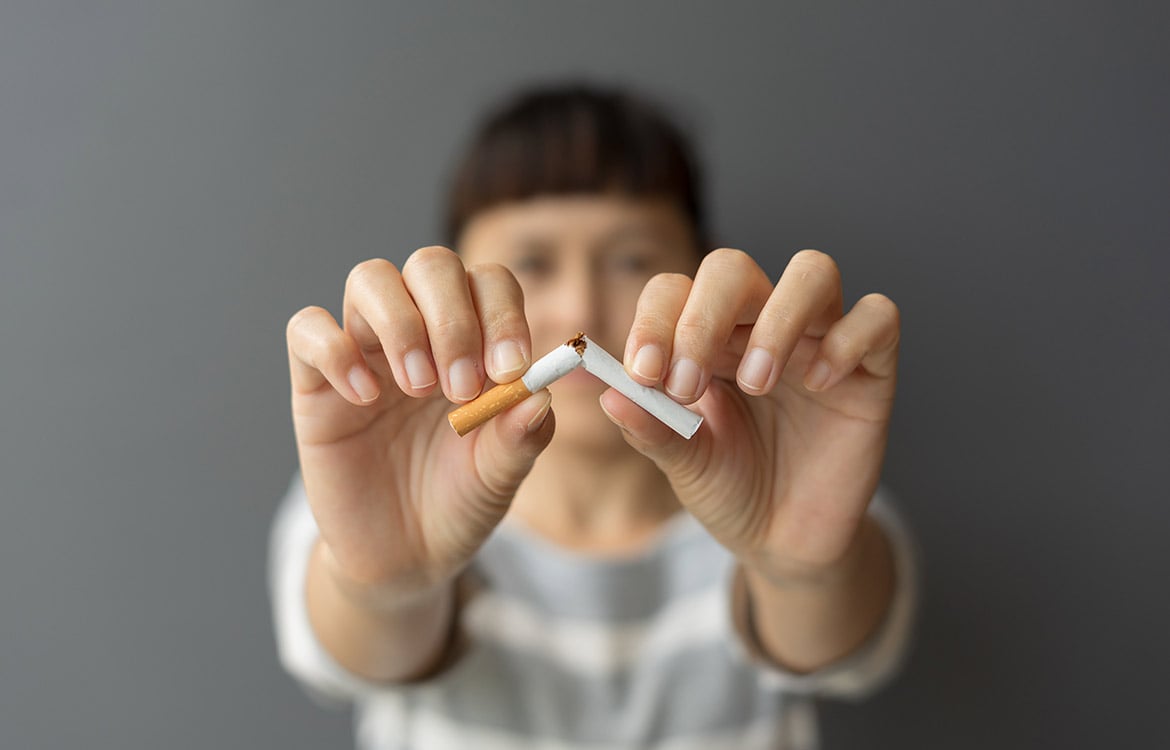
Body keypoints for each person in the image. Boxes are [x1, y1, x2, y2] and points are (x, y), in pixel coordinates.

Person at [269, 82, 917, 749]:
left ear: (698, 272)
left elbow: (841, 648)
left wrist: (800, 573)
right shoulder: (357, 498)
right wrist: (385, 590)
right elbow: (360, 653)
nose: (579, 307)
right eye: (531, 261)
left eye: (631, 260)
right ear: (454, 284)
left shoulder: (811, 484)